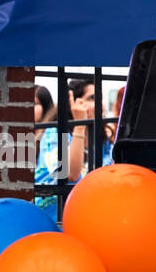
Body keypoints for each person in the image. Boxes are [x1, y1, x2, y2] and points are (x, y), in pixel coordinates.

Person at [34, 79, 111, 222]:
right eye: (92, 98)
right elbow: (70, 173)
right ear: (73, 103)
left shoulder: (102, 141)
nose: (101, 104)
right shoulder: (54, 133)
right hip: (49, 222)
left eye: (101, 98)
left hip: (84, 220)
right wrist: (80, 124)